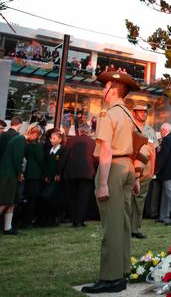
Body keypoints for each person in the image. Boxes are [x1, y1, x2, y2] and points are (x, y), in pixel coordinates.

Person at [81, 71, 140, 294]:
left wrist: (103, 183)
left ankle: (111, 278)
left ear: (113, 89)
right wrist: (134, 175)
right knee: (123, 223)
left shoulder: (108, 114)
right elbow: (137, 146)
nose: (102, 90)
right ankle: (122, 270)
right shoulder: (129, 114)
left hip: (113, 168)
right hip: (127, 166)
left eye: (104, 86)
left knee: (111, 226)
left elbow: (105, 150)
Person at [0, 123, 41, 234]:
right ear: (32, 133)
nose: (36, 138)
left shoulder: (19, 139)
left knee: (11, 201)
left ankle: (7, 228)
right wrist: (20, 173)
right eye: (36, 135)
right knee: (4, 201)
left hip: (10, 174)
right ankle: (7, 228)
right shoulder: (20, 140)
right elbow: (17, 159)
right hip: (8, 174)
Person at [61, 123, 96, 227]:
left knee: (73, 197)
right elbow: (95, 158)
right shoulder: (92, 142)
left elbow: (65, 157)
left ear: (79, 131)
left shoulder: (71, 141)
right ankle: (81, 220)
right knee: (84, 198)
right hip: (87, 173)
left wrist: (60, 172)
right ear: (88, 131)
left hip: (72, 172)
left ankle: (74, 220)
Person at [130, 104, 156, 238]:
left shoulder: (150, 130)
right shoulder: (129, 126)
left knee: (140, 201)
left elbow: (153, 152)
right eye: (141, 112)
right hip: (129, 169)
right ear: (134, 113)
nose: (144, 114)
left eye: (146, 112)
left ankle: (136, 229)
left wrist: (152, 170)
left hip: (145, 171)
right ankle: (124, 227)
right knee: (127, 199)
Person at [40, 131, 66, 227]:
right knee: (46, 197)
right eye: (51, 138)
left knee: (51, 197)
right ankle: (48, 218)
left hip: (56, 178)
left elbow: (62, 163)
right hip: (49, 177)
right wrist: (46, 175)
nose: (52, 140)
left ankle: (56, 217)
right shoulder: (49, 150)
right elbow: (46, 164)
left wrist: (58, 174)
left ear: (60, 140)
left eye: (54, 138)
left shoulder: (62, 150)